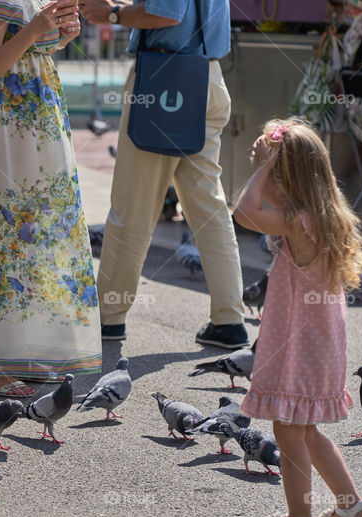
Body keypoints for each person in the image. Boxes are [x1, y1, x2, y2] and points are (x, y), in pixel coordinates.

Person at [235, 118, 362, 517]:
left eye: (276, 173)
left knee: (287, 429)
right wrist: (271, 163)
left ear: (287, 178)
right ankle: (351, 506)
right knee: (307, 429)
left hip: (296, 346)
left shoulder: (297, 220)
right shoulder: (327, 216)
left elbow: (244, 210)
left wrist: (263, 166)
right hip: (321, 345)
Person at [0, 0, 103, 400]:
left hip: (37, 126)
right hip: (6, 130)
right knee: (4, 236)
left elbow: (24, 55)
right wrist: (35, 30)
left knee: (39, 236)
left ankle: (26, 351)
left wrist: (56, 38)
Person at [79, 0, 249, 349]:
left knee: (133, 205)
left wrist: (112, 14)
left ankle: (109, 318)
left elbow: (168, 11)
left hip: (163, 80)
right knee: (208, 206)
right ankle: (230, 319)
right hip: (207, 77)